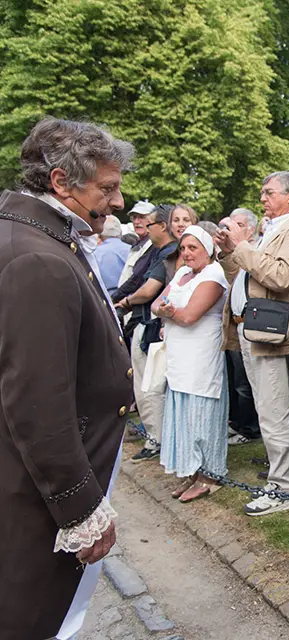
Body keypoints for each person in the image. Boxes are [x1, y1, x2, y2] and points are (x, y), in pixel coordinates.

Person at [0, 117, 134, 640]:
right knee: (30, 613)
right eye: (107, 188)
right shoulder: (38, 258)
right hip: (29, 495)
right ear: (60, 182)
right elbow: (37, 402)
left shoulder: (41, 236)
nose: (118, 203)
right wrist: (80, 507)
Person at [216, 171, 289, 516]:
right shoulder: (269, 231)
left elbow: (281, 277)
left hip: (270, 330)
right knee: (265, 409)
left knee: (274, 412)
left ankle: (288, 488)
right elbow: (243, 278)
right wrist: (229, 252)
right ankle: (279, 479)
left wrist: (242, 248)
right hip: (250, 329)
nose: (262, 198)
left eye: (268, 192)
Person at [152, 226, 229, 502]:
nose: (185, 253)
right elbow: (156, 304)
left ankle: (209, 474)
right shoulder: (183, 274)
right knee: (183, 414)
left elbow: (189, 317)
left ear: (207, 250)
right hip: (179, 356)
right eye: (183, 248)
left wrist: (168, 311)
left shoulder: (214, 275)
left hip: (201, 356)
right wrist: (167, 310)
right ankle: (192, 472)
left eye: (192, 248)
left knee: (201, 413)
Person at [115, 206, 178, 462]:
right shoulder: (156, 251)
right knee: (146, 384)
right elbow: (136, 281)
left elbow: (148, 289)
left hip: (151, 325)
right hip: (145, 322)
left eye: (149, 224)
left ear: (162, 226)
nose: (146, 228)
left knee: (150, 385)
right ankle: (155, 436)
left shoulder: (168, 252)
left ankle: (157, 440)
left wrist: (125, 302)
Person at [221, 208, 261, 445]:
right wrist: (226, 252)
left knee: (257, 387)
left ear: (251, 229)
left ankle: (251, 429)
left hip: (255, 325)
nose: (231, 230)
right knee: (242, 382)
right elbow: (232, 277)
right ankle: (245, 426)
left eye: (238, 224)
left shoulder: (256, 251)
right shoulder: (239, 251)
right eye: (229, 225)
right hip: (238, 325)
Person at [95, 214, 130, 296]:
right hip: (129, 300)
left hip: (105, 298)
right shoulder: (132, 250)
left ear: (100, 234)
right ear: (120, 231)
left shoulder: (94, 253)